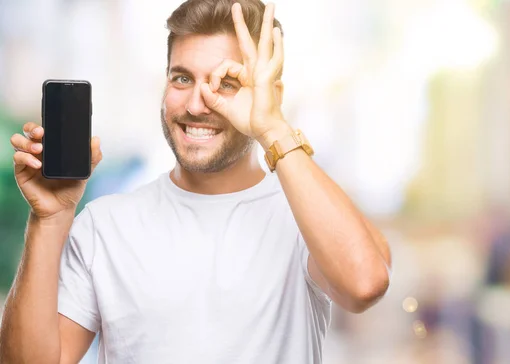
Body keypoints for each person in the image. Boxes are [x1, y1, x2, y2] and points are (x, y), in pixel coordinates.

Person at [0, 0, 391, 363]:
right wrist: (48, 220)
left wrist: (272, 127)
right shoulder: (106, 226)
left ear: (270, 97)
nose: (196, 105)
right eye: (182, 78)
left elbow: (364, 284)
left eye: (226, 83)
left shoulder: (305, 218)